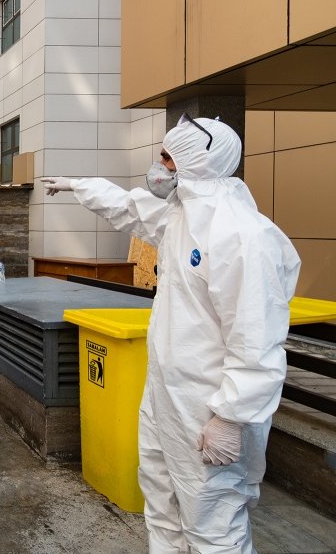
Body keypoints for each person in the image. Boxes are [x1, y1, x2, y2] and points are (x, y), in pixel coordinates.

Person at [42, 115, 300, 553]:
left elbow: (257, 339)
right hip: (166, 398)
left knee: (214, 524)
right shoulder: (183, 217)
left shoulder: (242, 236)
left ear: (197, 162)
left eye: (167, 157)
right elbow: (130, 207)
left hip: (208, 409)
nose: (158, 166)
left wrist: (230, 416)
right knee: (161, 507)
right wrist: (78, 185)